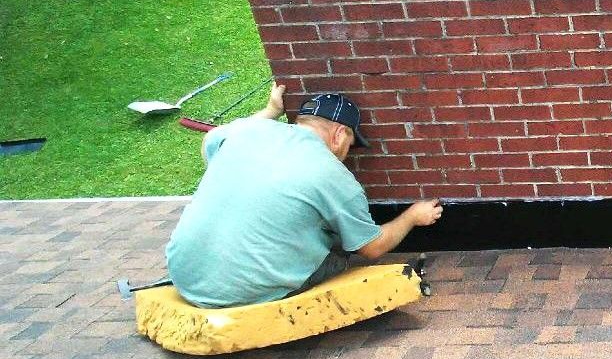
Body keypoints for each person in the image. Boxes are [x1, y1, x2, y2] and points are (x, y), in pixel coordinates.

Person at [165, 82, 442, 309]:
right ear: (339, 134)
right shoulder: (332, 174)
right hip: (247, 292)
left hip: (185, 276)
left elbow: (208, 141)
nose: (347, 154)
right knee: (339, 245)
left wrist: (271, 110)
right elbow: (371, 248)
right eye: (350, 144)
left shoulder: (246, 131)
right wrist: (412, 216)